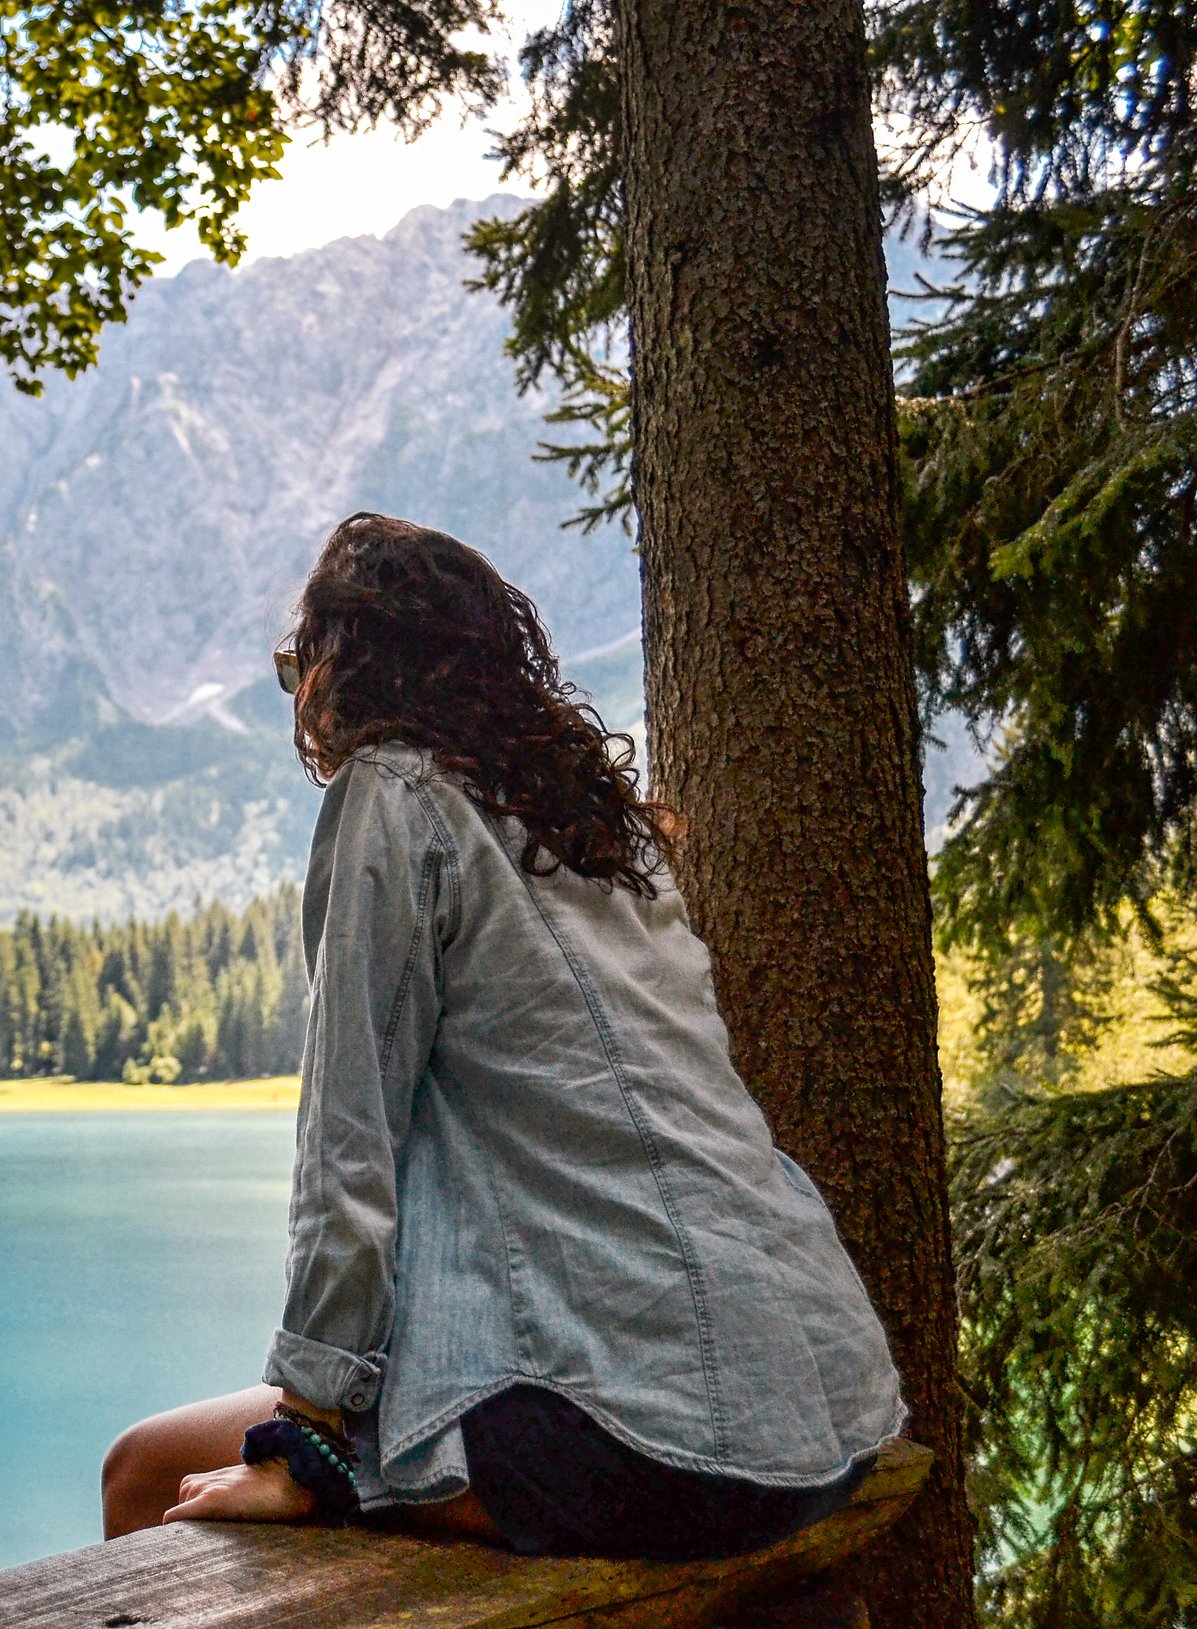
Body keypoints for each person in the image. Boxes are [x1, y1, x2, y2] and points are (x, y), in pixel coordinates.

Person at [101, 515, 905, 1561]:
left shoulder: (392, 792)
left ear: (347, 666)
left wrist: (300, 1438)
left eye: (299, 663)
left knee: (142, 1470)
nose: (299, 694)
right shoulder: (598, 821)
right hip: (823, 1414)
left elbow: (351, 1144)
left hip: (649, 1448)